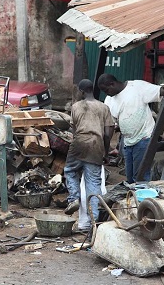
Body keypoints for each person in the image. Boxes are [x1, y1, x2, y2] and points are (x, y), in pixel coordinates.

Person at [97, 74, 164, 184]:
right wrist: (105, 151)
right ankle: (134, 197)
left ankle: (143, 199)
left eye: (106, 90)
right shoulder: (109, 100)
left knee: (140, 176)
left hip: (143, 138)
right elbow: (110, 124)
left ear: (112, 84)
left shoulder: (136, 87)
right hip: (127, 141)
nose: (106, 93)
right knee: (130, 177)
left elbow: (160, 91)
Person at [63, 79, 114, 225]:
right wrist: (105, 152)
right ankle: (94, 221)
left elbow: (74, 131)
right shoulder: (103, 107)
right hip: (96, 146)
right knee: (93, 184)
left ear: (81, 91)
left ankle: (73, 198)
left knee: (70, 170)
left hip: (78, 144)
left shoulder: (76, 107)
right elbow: (107, 133)